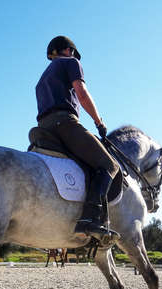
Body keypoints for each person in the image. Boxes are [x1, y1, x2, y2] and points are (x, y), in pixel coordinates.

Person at [35, 35, 120, 242]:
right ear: (69, 50)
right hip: (64, 123)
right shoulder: (71, 62)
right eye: (73, 52)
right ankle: (90, 220)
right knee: (110, 166)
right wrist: (99, 122)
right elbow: (81, 94)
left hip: (43, 128)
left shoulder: (42, 79)